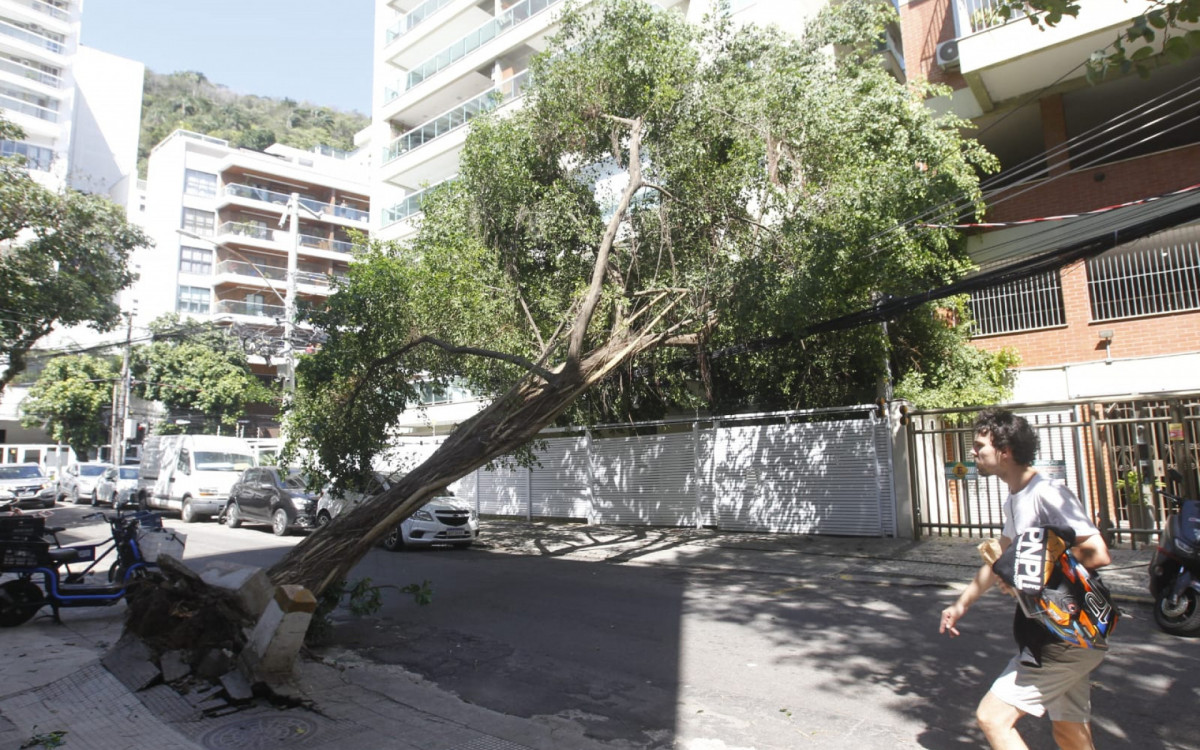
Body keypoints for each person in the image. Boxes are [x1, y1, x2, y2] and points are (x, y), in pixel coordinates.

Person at [939, 408, 1112, 750]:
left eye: (979, 446)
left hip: (1064, 636)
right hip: (1059, 633)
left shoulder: (1047, 492)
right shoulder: (1015, 497)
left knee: (993, 718)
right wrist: (961, 604)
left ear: (1004, 451)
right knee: (1069, 732)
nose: (973, 453)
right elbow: (1002, 558)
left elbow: (1097, 551)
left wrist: (1033, 572)